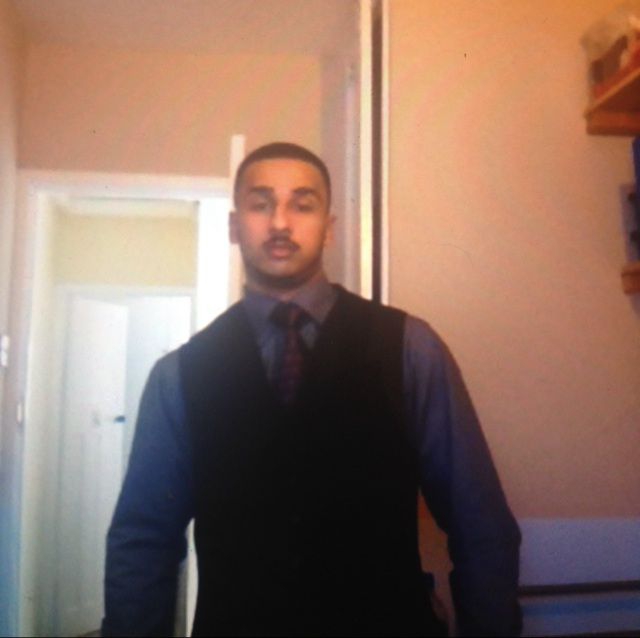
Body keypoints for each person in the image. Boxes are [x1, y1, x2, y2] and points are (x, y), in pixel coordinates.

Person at [102, 142, 522, 637]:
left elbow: (480, 523)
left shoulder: (410, 348)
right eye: (261, 204)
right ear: (235, 226)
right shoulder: (180, 374)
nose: (280, 222)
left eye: (303, 205)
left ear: (329, 227)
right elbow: (143, 541)